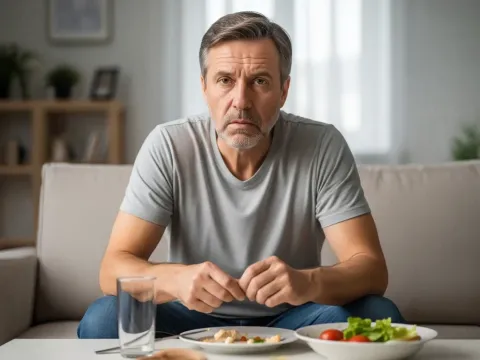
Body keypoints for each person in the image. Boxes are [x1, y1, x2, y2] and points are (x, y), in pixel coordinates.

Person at [77, 11, 404, 339]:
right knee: (102, 319)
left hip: (294, 314)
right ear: (204, 88)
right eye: (225, 80)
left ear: (283, 91)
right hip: (193, 314)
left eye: (260, 81)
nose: (241, 101)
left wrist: (307, 282)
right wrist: (175, 280)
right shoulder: (168, 145)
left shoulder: (322, 145)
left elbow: (371, 270)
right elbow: (112, 270)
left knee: (379, 314)